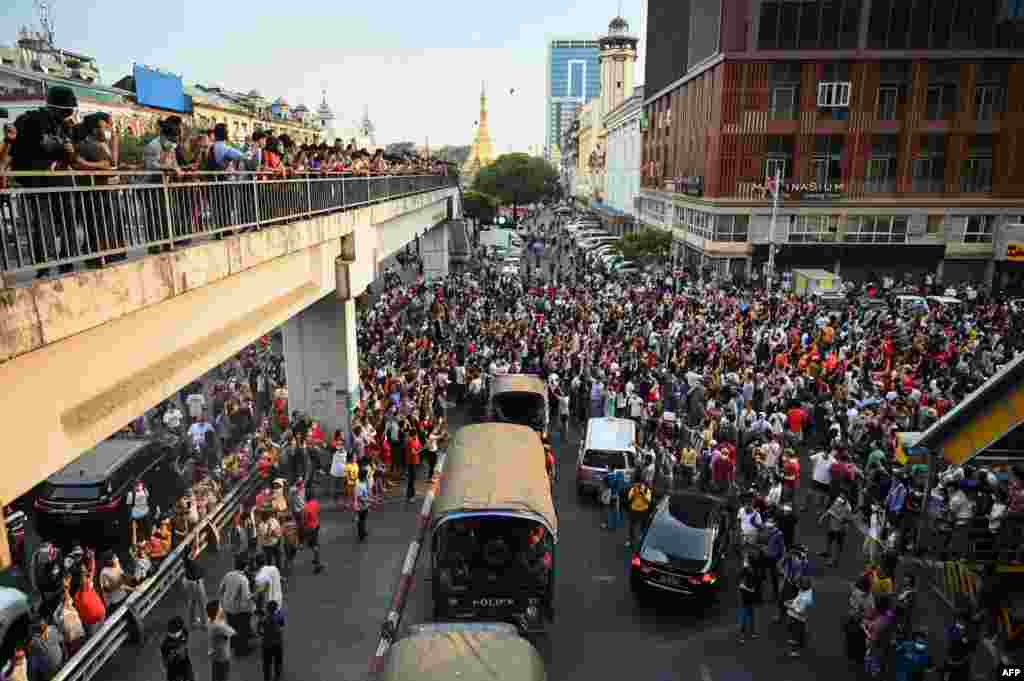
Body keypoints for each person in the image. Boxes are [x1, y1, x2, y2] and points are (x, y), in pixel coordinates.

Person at [217, 555, 253, 656]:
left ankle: (233, 644)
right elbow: (246, 597)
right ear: (245, 567)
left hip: (227, 607)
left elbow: (221, 589)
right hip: (239, 609)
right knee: (242, 629)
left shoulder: (228, 575)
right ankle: (241, 650)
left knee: (232, 626)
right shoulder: (243, 579)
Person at [206, 600, 236, 681]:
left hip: (215, 654)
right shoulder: (219, 626)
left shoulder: (209, 621)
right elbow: (233, 632)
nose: (222, 609)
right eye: (220, 608)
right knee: (223, 677)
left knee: (216, 676)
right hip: (223, 657)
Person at [784, 576, 814, 657]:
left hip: (796, 618)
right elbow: (798, 598)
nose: (797, 586)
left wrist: (789, 606)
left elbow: (800, 610)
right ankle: (799, 647)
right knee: (798, 634)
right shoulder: (806, 591)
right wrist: (792, 601)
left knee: (794, 635)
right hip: (798, 618)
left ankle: (794, 651)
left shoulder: (806, 598)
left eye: (799, 584)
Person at [160, 616, 194, 681]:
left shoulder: (184, 633)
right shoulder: (166, 645)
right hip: (173, 669)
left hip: (185, 664)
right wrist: (173, 655)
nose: (173, 634)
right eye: (171, 632)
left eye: (175, 632)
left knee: (189, 677)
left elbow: (185, 642)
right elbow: (165, 662)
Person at [258, 600, 285, 681]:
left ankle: (267, 677)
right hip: (277, 643)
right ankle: (277, 675)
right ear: (276, 608)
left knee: (266, 663)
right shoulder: (279, 616)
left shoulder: (263, 619)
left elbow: (258, 629)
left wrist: (261, 634)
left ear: (267, 609)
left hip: (266, 644)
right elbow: (282, 624)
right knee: (278, 660)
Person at [626, 477, 652, 547]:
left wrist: (642, 494)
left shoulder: (647, 490)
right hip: (634, 510)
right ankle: (630, 541)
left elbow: (648, 502)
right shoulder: (633, 489)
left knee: (643, 527)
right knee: (632, 526)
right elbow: (629, 499)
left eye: (642, 484)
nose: (640, 485)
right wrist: (635, 494)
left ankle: (642, 540)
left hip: (643, 511)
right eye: (639, 484)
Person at [302, 492, 325, 573]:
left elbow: (305, 519)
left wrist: (304, 527)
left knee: (314, 545)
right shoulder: (316, 503)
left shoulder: (306, 507)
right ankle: (316, 560)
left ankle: (317, 564)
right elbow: (319, 512)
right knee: (314, 544)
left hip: (310, 527)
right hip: (316, 525)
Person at [354, 465, 371, 541]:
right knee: (360, 520)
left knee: (363, 519)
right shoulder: (359, 485)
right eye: (366, 476)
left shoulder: (363, 483)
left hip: (364, 505)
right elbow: (360, 498)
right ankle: (361, 534)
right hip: (360, 506)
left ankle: (363, 531)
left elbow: (366, 492)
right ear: (363, 477)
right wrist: (368, 500)